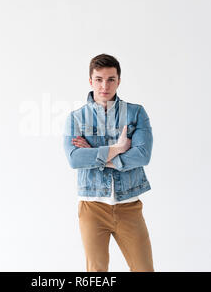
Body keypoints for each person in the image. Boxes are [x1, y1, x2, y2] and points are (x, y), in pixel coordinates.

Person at [63, 53, 155, 272]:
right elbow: (74, 159)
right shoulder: (75, 118)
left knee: (144, 268)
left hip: (129, 206)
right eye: (99, 79)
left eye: (111, 79)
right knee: (97, 273)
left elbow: (143, 155)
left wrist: (97, 156)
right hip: (92, 207)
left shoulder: (136, 113)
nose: (105, 85)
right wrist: (118, 149)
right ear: (90, 80)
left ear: (119, 81)